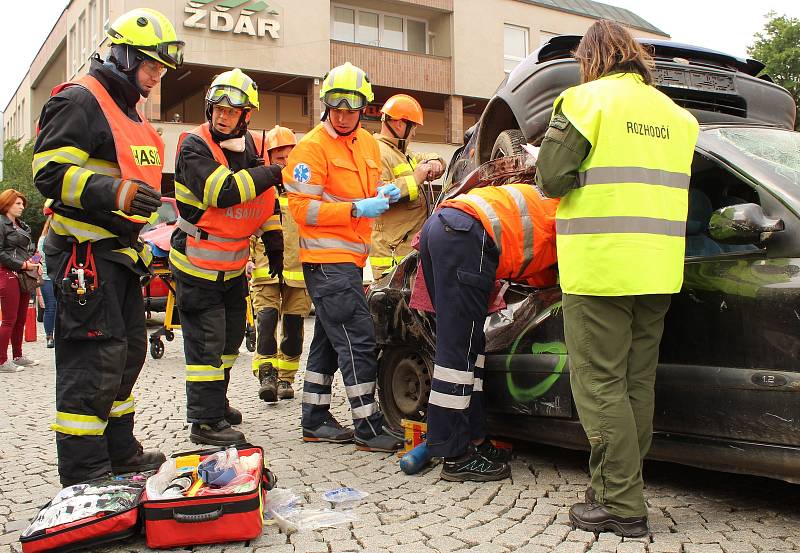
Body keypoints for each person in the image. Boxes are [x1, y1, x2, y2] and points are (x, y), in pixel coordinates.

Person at [535, 20, 699, 537]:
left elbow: (550, 178)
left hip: (601, 264)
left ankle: (622, 505)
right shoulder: (678, 116)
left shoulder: (585, 101)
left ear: (590, 57)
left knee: (599, 383)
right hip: (659, 266)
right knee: (635, 382)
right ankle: (615, 485)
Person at [33, 7, 182, 486]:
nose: (156, 77)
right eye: (150, 65)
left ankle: (119, 451)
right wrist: (113, 193)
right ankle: (84, 475)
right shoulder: (81, 100)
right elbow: (49, 173)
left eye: (161, 68)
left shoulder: (129, 112)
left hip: (117, 255)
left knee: (127, 353)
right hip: (84, 252)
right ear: (119, 55)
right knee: (92, 362)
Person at [285, 62, 403, 452]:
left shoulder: (368, 145)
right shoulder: (311, 148)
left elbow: (375, 188)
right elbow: (302, 209)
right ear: (326, 105)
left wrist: (386, 195)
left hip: (350, 262)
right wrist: (355, 208)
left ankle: (315, 418)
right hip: (326, 262)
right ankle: (368, 424)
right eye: (336, 108)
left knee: (327, 340)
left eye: (350, 110)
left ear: (363, 109)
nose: (342, 116)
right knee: (357, 339)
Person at [417, 177, 559, 481]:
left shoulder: (546, 198)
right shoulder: (565, 216)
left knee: (471, 347)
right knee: (458, 350)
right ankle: (454, 455)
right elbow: (544, 276)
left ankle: (476, 440)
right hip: (466, 236)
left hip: (445, 227)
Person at [171, 68, 283, 446]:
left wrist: (275, 241)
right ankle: (204, 422)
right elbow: (224, 192)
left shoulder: (250, 147)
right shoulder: (193, 146)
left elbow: (262, 203)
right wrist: (271, 172)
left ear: (245, 116)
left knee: (231, 340)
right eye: (217, 108)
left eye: (231, 112)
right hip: (196, 264)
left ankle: (216, 402)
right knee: (206, 343)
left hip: (232, 269)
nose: (222, 116)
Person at [249, 125, 311, 402]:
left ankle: (286, 379)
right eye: (278, 157)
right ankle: (267, 374)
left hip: (298, 275)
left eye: (289, 156)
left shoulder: (304, 190)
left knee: (294, 331)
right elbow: (248, 226)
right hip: (266, 272)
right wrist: (248, 261)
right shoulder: (260, 190)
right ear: (268, 159)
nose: (284, 163)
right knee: (266, 324)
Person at [369, 94, 445, 277]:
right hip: (392, 255)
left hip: (408, 250)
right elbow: (377, 195)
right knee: (394, 305)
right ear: (399, 124)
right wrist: (415, 179)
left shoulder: (402, 152)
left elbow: (425, 158)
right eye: (413, 128)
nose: (414, 133)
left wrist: (436, 161)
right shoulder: (377, 151)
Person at [0, 190, 40, 373]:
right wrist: (22, 264)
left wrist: (32, 262)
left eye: (22, 204)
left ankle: (18, 356)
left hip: (22, 274)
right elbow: (1, 253)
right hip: (7, 273)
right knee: (9, 319)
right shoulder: (1, 224)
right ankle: (2, 360)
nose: (22, 207)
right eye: (18, 203)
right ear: (7, 204)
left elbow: (25, 250)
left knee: (21, 318)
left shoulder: (21, 225)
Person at [37, 213, 57, 349]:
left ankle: (61, 334)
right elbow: (43, 258)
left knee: (61, 307)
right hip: (47, 277)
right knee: (51, 306)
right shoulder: (43, 240)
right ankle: (49, 336)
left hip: (59, 277)